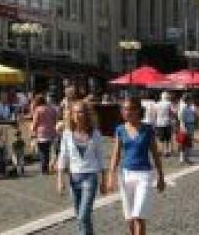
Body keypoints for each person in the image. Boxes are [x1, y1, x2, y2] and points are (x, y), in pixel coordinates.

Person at [107, 97, 165, 235]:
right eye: (125, 109)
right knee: (130, 217)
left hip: (144, 175)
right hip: (126, 175)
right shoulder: (120, 129)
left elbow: (155, 154)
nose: (128, 112)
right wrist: (111, 176)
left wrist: (161, 176)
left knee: (139, 215)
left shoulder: (148, 129)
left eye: (131, 109)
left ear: (139, 110)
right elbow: (116, 154)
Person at [57, 101, 106, 235]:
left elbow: (101, 158)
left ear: (86, 114)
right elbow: (63, 156)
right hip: (74, 178)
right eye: (75, 112)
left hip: (90, 178)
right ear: (71, 115)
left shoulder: (95, 134)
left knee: (83, 215)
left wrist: (103, 181)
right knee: (80, 215)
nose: (78, 115)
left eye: (81, 112)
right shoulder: (67, 134)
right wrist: (60, 180)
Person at [31, 94, 57, 174]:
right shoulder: (51, 109)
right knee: (47, 151)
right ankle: (46, 167)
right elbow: (55, 119)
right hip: (51, 132)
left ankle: (44, 169)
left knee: (42, 152)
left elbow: (35, 122)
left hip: (41, 133)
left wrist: (33, 130)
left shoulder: (38, 110)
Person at [178, 94, 197, 164]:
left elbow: (194, 116)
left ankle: (187, 158)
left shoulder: (190, 107)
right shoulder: (183, 107)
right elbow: (181, 118)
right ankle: (182, 158)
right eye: (190, 100)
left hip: (190, 125)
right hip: (186, 125)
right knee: (183, 142)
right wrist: (184, 127)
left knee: (189, 142)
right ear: (187, 100)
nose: (191, 101)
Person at [154, 92, 174, 157]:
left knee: (160, 138)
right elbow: (172, 112)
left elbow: (155, 114)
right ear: (167, 97)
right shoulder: (169, 103)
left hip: (159, 122)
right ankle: (166, 151)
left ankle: (161, 150)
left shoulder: (157, 104)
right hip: (167, 122)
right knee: (167, 138)